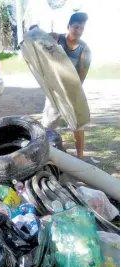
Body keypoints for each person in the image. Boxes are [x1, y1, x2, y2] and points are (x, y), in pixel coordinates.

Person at [38, 12, 91, 159]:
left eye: (82, 28)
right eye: (76, 27)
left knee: (78, 124)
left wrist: (71, 95)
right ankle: (42, 153)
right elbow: (37, 45)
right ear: (68, 26)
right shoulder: (56, 38)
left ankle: (80, 157)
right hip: (54, 91)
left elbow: (81, 78)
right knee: (47, 125)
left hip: (71, 92)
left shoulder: (84, 50)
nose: (78, 30)